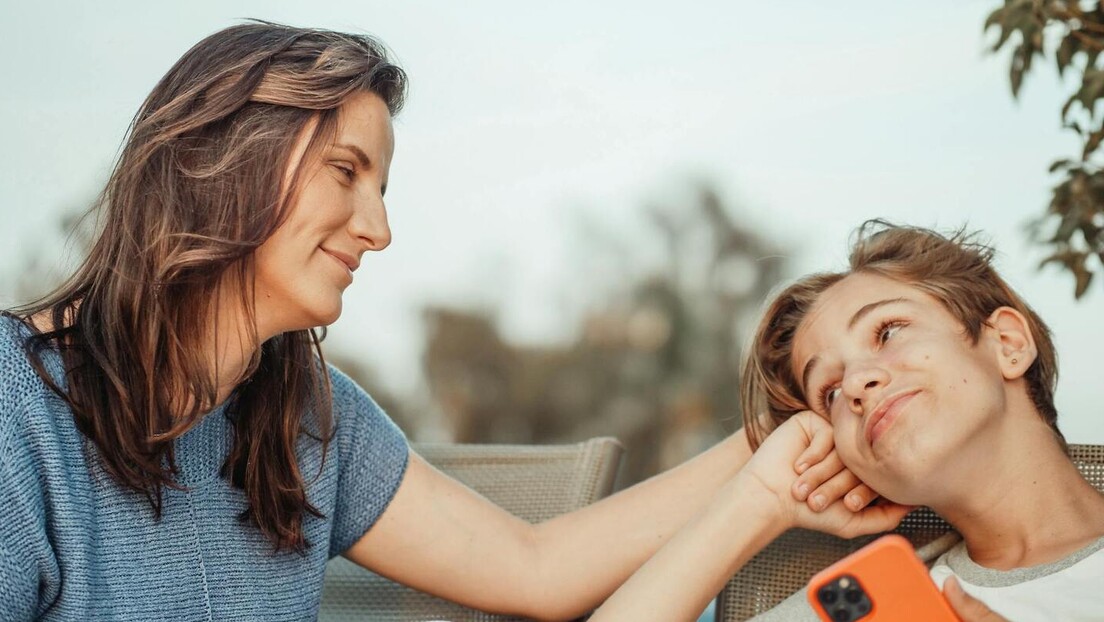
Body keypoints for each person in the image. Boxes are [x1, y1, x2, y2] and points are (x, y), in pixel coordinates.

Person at [0, 22, 908, 621]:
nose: (379, 229)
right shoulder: (17, 411)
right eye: (346, 172)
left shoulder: (312, 420)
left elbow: (535, 569)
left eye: (382, 188)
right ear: (225, 157)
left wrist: (769, 443)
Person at [740, 221, 1104, 621]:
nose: (856, 382)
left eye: (888, 331)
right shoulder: (868, 607)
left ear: (1007, 343)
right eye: (831, 393)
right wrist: (759, 497)